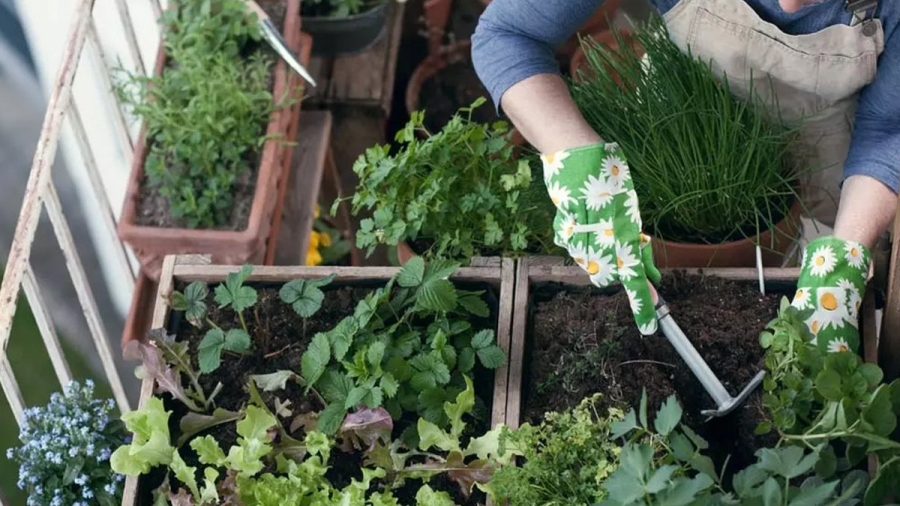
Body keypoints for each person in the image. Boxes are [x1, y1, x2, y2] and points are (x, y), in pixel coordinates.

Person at [471, 0, 899, 356]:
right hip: (679, 132)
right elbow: (508, 34)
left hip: (829, 156)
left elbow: (887, 127)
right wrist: (577, 156)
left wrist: (846, 254)